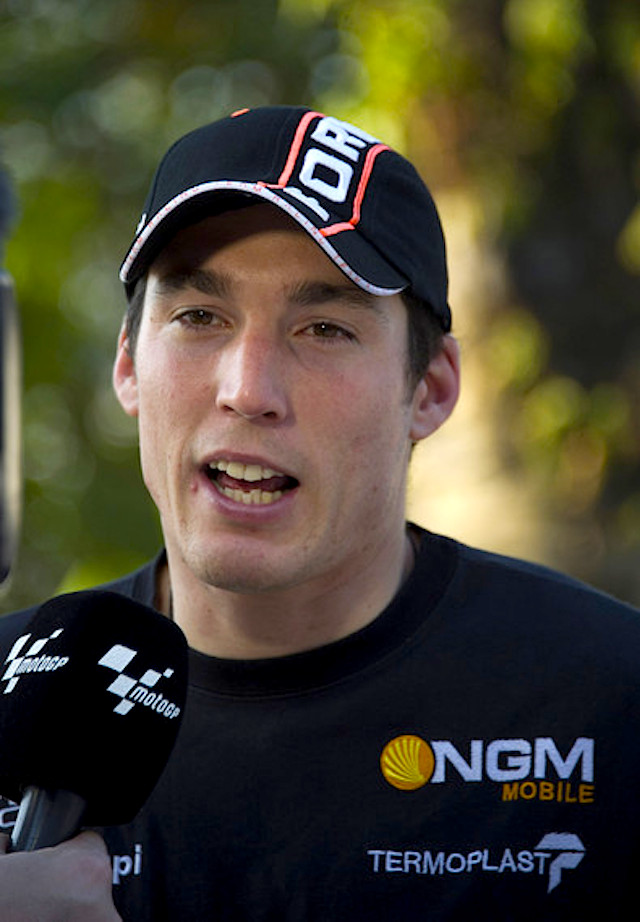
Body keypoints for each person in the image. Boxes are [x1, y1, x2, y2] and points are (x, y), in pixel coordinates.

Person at [0, 105, 639, 921]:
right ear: (128, 364)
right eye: (199, 317)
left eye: (324, 328)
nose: (247, 389)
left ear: (430, 389)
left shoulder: (608, 700)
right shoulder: (13, 690)